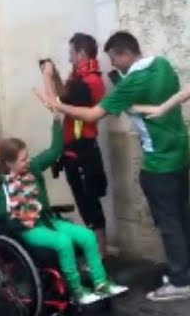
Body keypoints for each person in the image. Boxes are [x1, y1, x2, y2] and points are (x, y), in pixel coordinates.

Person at [40, 31, 190, 302]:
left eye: (114, 59)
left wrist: (54, 103)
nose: (113, 65)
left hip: (159, 162)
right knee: (181, 216)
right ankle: (185, 271)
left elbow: (93, 114)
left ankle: (180, 280)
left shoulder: (130, 82)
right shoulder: (162, 65)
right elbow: (149, 99)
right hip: (180, 154)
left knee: (169, 223)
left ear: (123, 53)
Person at [0, 111, 128, 305]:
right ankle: (77, 291)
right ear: (9, 163)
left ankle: (101, 283)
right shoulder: (2, 185)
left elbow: (55, 150)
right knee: (63, 242)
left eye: (27, 157)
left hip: (47, 220)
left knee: (87, 237)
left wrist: (56, 119)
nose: (27, 161)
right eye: (23, 159)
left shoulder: (34, 168)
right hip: (27, 229)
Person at [45, 33, 109, 257]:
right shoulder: (80, 78)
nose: (70, 59)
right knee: (85, 201)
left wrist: (47, 77)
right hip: (76, 150)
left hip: (83, 149)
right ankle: (98, 250)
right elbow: (65, 95)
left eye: (72, 54)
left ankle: (100, 252)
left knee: (90, 203)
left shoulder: (88, 82)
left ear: (82, 53)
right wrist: (54, 78)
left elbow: (56, 104)